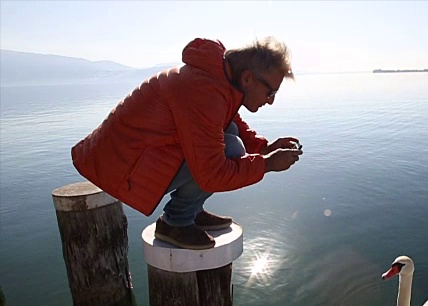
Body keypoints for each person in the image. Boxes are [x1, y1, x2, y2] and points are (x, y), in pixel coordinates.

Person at [71, 37, 303, 250]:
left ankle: (190, 211)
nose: (270, 101)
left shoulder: (216, 78)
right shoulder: (204, 92)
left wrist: (264, 148)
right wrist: (266, 164)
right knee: (232, 151)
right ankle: (175, 222)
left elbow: (228, 120)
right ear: (247, 78)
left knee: (228, 133)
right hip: (119, 169)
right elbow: (212, 173)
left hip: (127, 157)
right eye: (270, 92)